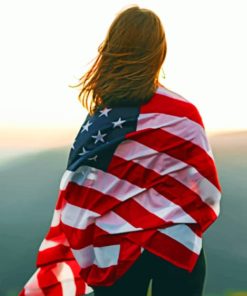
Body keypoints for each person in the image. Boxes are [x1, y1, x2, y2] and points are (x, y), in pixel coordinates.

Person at [19, 5, 221, 296]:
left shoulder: (101, 121)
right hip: (176, 244)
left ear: (113, 49)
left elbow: (79, 190)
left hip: (113, 252)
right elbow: (205, 188)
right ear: (159, 52)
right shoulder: (184, 115)